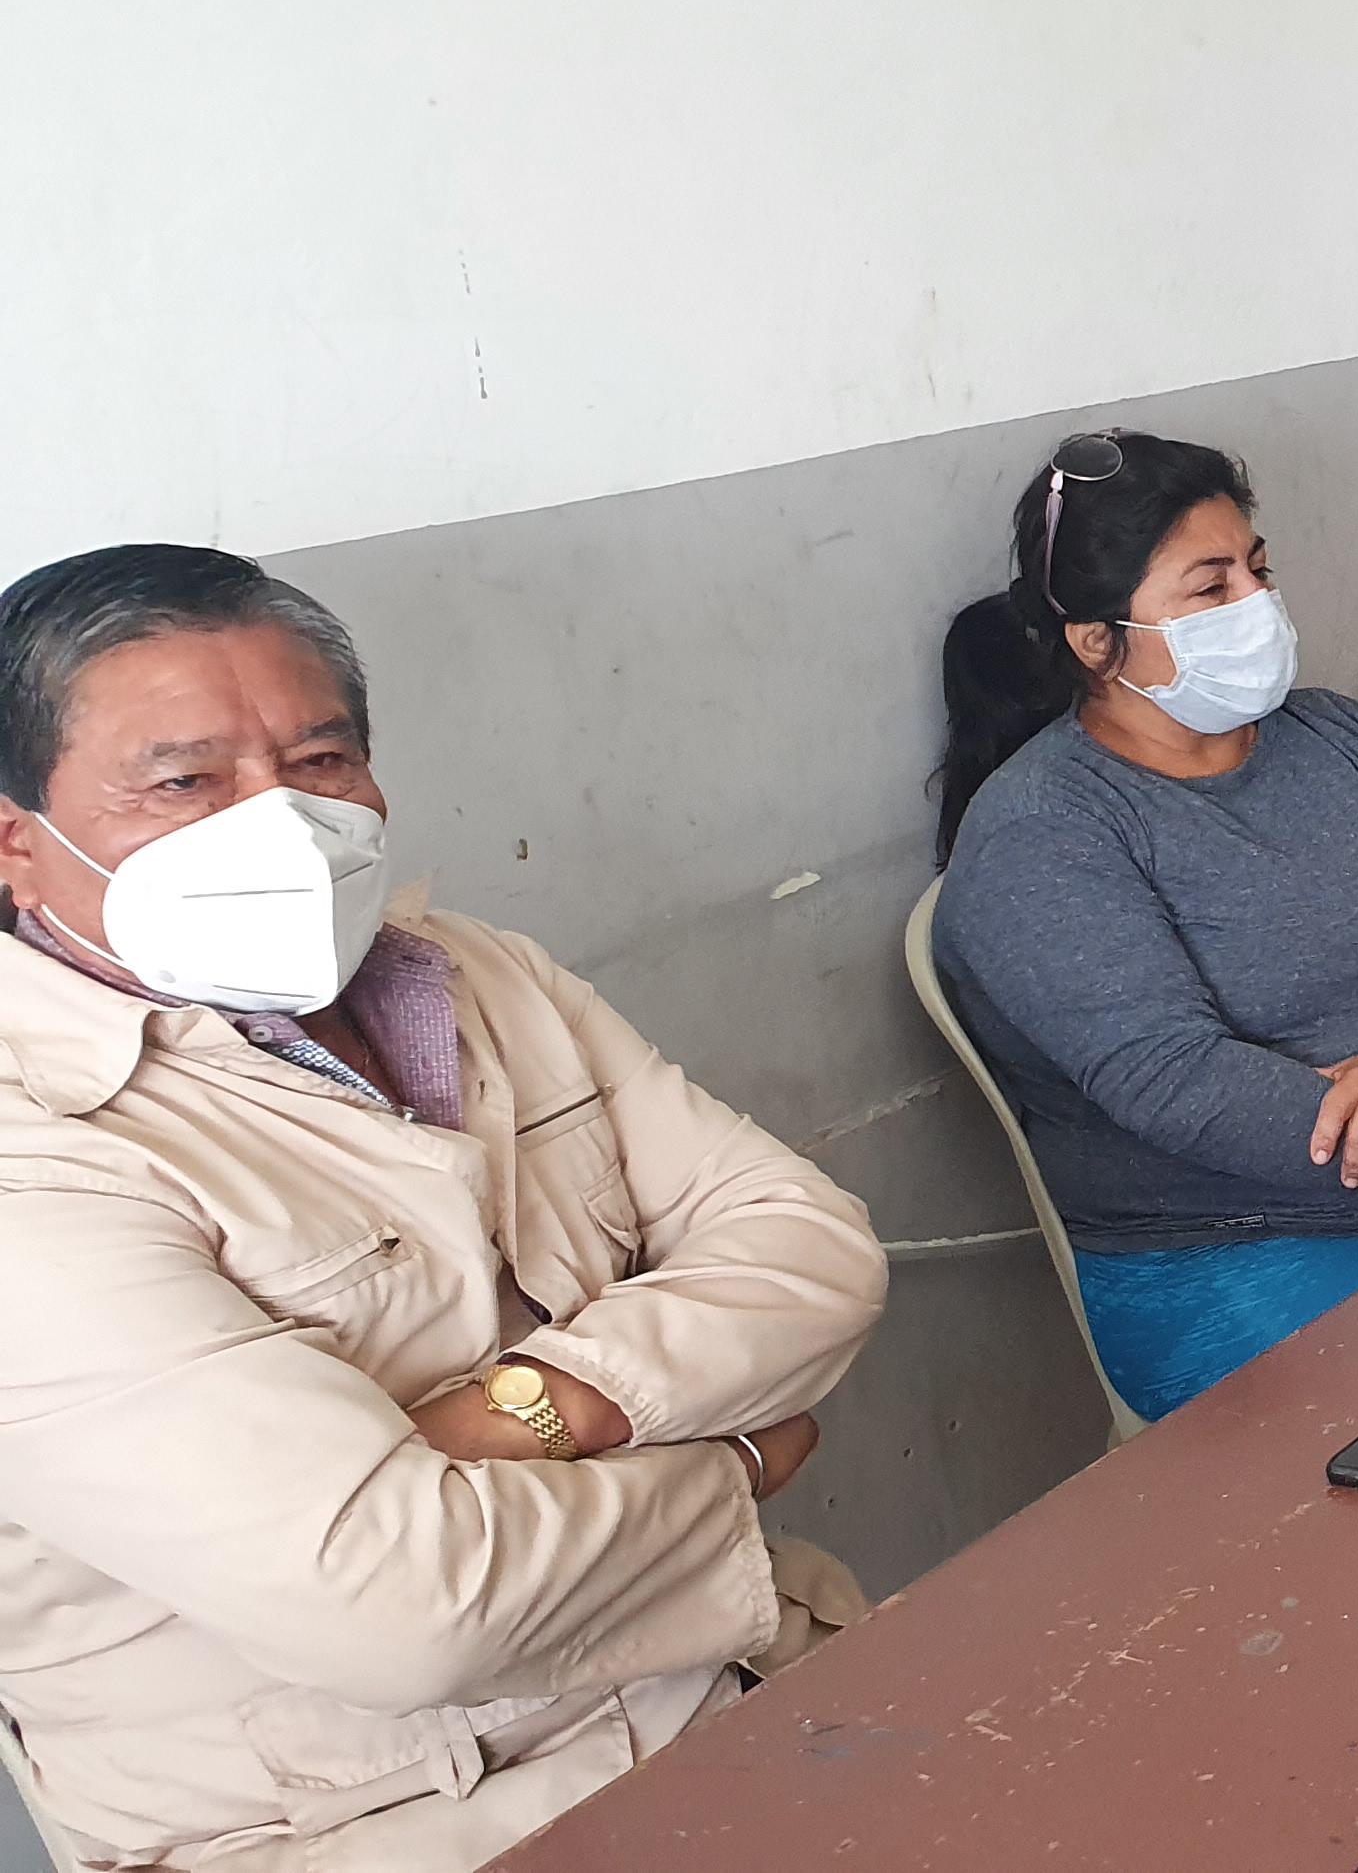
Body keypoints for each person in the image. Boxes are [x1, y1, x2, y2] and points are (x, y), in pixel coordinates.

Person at [0, 546, 884, 1872]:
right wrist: (739, 1461)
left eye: (321, 760)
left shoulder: (477, 973)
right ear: (17, 844)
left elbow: (811, 1249)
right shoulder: (37, 1149)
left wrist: (546, 1401)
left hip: (739, 1692)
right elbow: (401, 1608)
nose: (279, 821)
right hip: (390, 1829)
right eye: (185, 781)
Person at [932, 431, 1358, 1421]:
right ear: (1096, 641)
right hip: (1231, 1246)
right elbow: (1175, 1079)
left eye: (1258, 571)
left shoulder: (1336, 735)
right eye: (1211, 587)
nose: (1256, 605)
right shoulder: (1041, 830)